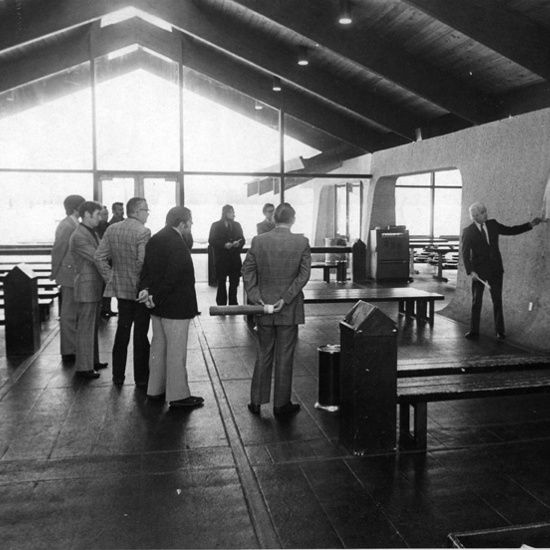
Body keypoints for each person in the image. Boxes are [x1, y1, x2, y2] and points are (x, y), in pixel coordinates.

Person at [242, 202, 311, 415]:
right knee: (285, 355)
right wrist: (287, 297)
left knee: (264, 353)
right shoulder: (302, 242)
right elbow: (303, 275)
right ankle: (281, 405)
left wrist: (256, 298)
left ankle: (256, 401)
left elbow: (247, 271)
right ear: (293, 219)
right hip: (288, 309)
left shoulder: (259, 241)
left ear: (273, 219)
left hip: (263, 307)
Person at [137, 206, 203, 408]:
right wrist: (157, 296)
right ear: (181, 223)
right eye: (190, 222)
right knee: (176, 352)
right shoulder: (177, 242)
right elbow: (173, 277)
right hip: (175, 306)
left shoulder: (156, 238)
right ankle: (178, 395)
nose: (191, 225)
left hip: (157, 307)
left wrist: (146, 290)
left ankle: (154, 389)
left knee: (158, 348)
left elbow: (146, 269)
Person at [461, 202, 542, 340]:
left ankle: (500, 331)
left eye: (485, 211)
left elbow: (511, 230)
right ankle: (474, 331)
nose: (486, 214)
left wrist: (530, 225)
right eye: (483, 213)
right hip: (479, 272)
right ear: (475, 216)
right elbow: (465, 253)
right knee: (476, 302)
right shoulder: (468, 231)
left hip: (496, 270)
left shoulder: (493, 224)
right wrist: (471, 271)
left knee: (497, 300)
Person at [95, 197, 151, 387]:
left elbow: (99, 257)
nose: (147, 213)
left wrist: (111, 277)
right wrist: (141, 283)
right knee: (140, 334)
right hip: (139, 291)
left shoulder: (112, 229)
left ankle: (118, 376)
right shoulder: (143, 232)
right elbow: (141, 262)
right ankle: (141, 379)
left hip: (120, 289)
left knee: (122, 332)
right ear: (135, 212)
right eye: (145, 210)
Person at [69, 201, 108, 379]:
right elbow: (97, 256)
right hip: (86, 286)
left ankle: (93, 360)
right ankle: (84, 367)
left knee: (92, 325)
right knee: (85, 327)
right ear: (86, 214)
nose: (101, 218)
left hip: (93, 285)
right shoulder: (79, 235)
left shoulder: (89, 232)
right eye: (97, 215)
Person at [51, 194, 85, 362]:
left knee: (72, 312)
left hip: (73, 273)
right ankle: (68, 349)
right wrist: (54, 271)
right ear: (76, 208)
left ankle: (72, 347)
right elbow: (58, 249)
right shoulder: (67, 225)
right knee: (68, 313)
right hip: (67, 273)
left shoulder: (73, 223)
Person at [208, 204, 245, 305]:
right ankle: (221, 304)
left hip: (234, 260)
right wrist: (224, 245)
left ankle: (233, 303)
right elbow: (211, 240)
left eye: (233, 212)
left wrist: (238, 244)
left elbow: (243, 239)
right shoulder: (215, 225)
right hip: (221, 259)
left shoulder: (237, 225)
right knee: (221, 283)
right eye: (230, 212)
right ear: (224, 213)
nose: (233, 214)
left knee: (234, 283)